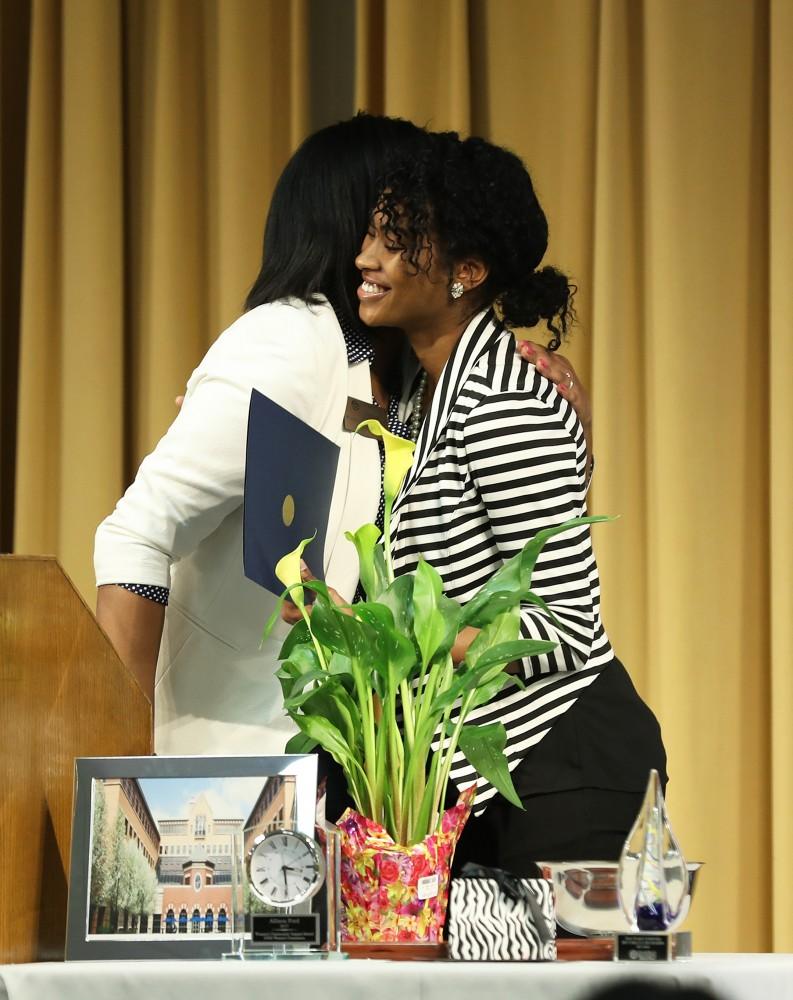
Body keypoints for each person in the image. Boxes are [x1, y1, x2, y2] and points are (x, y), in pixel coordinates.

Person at [94, 114, 590, 757]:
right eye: (387, 220)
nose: (375, 249)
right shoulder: (287, 342)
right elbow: (139, 531)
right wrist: (120, 766)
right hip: (225, 770)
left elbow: (510, 550)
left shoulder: (405, 377)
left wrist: (571, 433)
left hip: (359, 776)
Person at [352, 131, 667, 869]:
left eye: (398, 242)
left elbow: (560, 628)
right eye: (371, 232)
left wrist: (380, 631)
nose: (368, 258)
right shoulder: (431, 394)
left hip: (562, 769)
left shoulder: (504, 398)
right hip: (497, 776)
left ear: (466, 271)